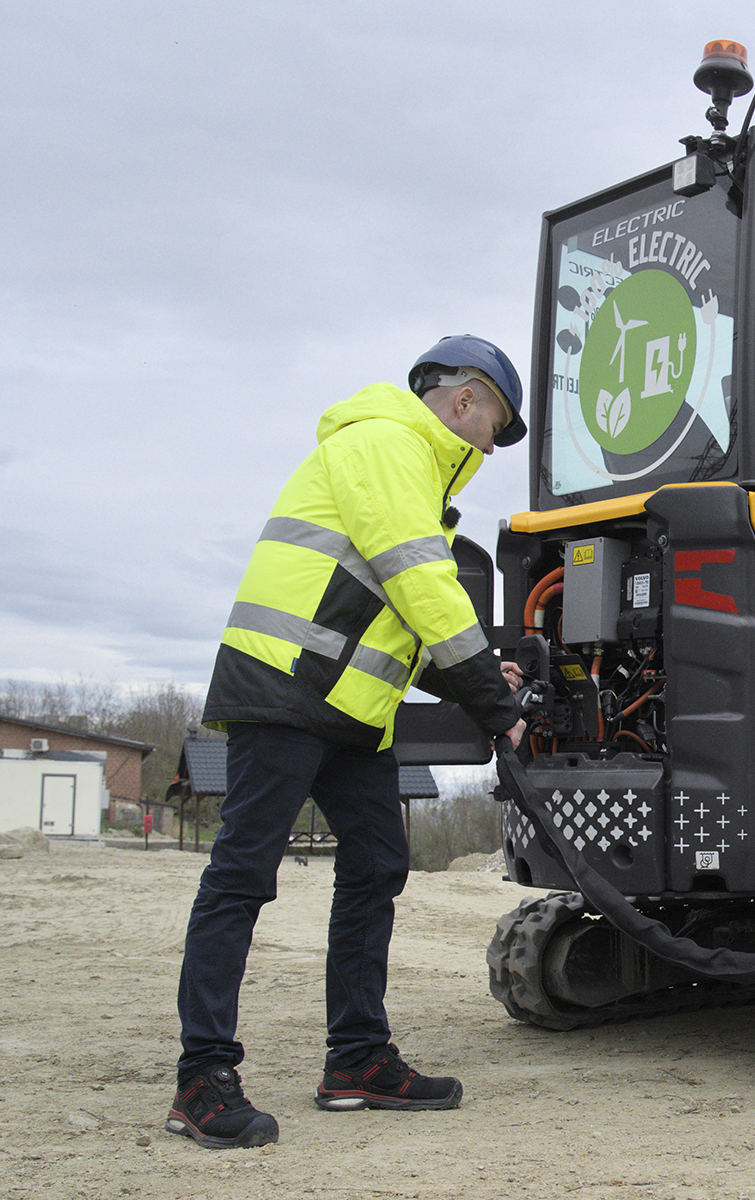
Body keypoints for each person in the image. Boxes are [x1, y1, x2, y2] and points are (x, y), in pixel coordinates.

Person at [166, 336, 532, 1150]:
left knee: (376, 864)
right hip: (282, 688)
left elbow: (392, 620)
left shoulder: (411, 470)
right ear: (466, 400)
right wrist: (489, 701)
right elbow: (418, 582)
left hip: (348, 710)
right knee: (243, 874)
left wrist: (472, 678)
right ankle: (202, 1080)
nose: (486, 445)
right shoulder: (386, 442)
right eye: (492, 424)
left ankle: (357, 1060)